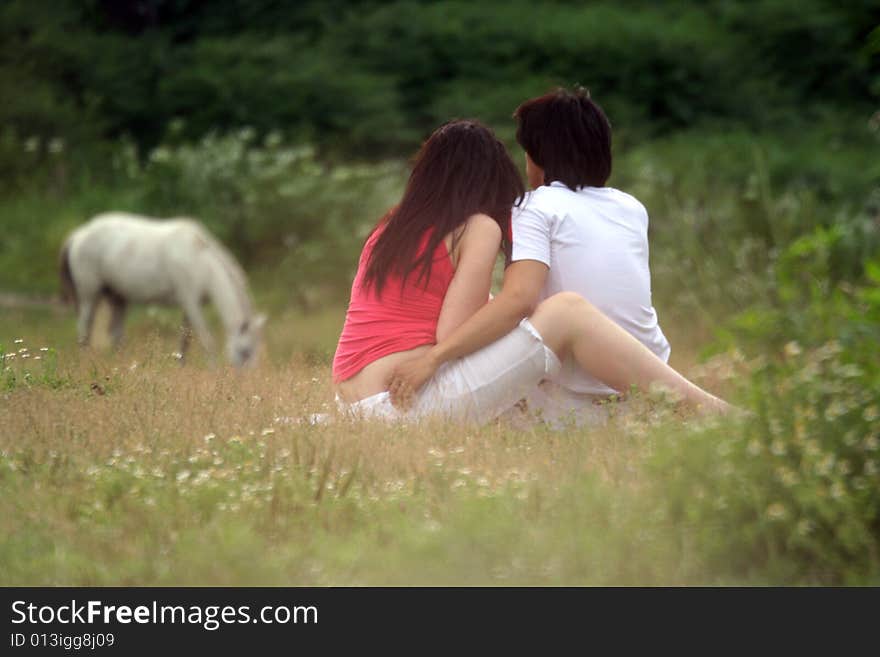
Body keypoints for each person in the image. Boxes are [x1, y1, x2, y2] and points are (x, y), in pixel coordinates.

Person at [333, 119, 728, 424]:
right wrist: (520, 317)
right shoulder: (477, 227)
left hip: (355, 403)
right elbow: (452, 335)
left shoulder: (389, 228)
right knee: (567, 311)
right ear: (490, 179)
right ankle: (716, 415)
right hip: (408, 400)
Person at [402, 86, 671, 425]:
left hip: (574, 395)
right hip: (647, 379)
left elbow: (518, 300)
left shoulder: (532, 207)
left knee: (464, 369)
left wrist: (436, 357)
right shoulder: (631, 208)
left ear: (537, 158)